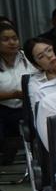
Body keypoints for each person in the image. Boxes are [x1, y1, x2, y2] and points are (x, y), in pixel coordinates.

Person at [0, 23, 27, 162]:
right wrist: (14, 95)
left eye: (15, 38)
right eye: (5, 39)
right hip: (3, 108)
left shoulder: (28, 57)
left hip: (27, 107)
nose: (12, 42)